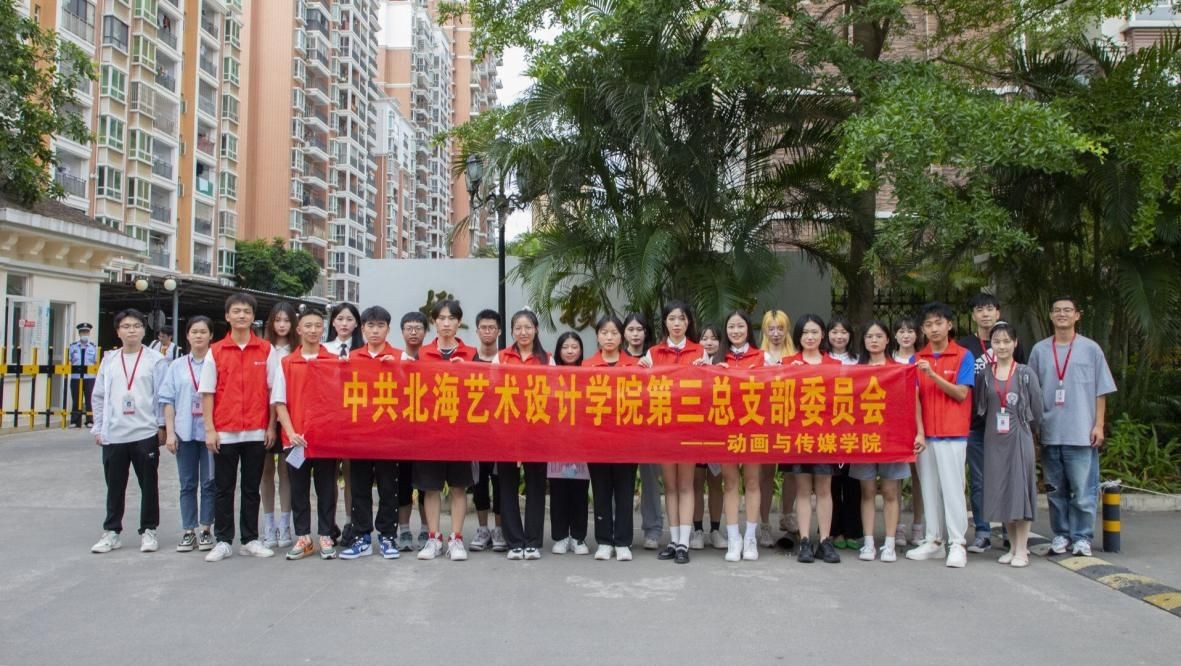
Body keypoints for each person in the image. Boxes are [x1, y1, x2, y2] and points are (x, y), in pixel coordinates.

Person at [198, 293, 284, 562]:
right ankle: (224, 540)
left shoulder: (266, 350)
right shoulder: (215, 351)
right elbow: (207, 393)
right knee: (223, 488)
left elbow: (273, 391)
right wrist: (210, 430)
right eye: (236, 311)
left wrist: (271, 427)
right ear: (227, 316)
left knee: (251, 488)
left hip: (257, 431)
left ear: (253, 316)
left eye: (246, 311)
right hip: (225, 431)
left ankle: (250, 539)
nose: (242, 315)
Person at [1027, 296, 1116, 557]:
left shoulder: (1091, 349)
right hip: (1050, 432)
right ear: (1051, 316)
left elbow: (1101, 390)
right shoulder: (1040, 350)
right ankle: (1061, 534)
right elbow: (1031, 391)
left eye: (1068, 310)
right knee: (1055, 490)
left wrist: (1099, 424)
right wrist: (1034, 426)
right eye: (1057, 310)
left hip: (1081, 432)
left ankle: (1082, 537)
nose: (1062, 314)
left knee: (1083, 490)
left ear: (1077, 315)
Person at [89, 309, 168, 554]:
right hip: (115, 434)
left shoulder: (155, 360)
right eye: (126, 326)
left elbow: (162, 396)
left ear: (144, 330)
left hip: (145, 432)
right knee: (114, 486)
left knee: (149, 485)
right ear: (118, 332)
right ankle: (112, 531)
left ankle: (149, 530)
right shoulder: (109, 360)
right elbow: (99, 396)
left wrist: (162, 426)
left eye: (136, 326)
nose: (131, 330)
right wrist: (99, 427)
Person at [905, 302, 975, 568]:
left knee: (953, 489)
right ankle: (933, 540)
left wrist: (933, 375)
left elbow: (961, 393)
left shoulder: (963, 356)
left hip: (953, 434)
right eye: (928, 324)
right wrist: (920, 433)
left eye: (938, 323)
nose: (934, 329)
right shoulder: (915, 359)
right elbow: (914, 400)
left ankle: (957, 543)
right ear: (922, 329)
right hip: (927, 437)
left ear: (949, 325)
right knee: (929, 489)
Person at [639, 300, 707, 564]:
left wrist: (707, 369)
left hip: (690, 426)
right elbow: (642, 388)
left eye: (681, 319)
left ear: (688, 322)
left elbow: (709, 388)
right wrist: (641, 370)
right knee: (669, 485)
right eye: (672, 319)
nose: (677, 324)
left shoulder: (699, 351)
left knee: (686, 484)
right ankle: (674, 539)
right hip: (664, 426)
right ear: (665, 322)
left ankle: (684, 543)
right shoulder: (653, 353)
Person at [958, 292, 1027, 554]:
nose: (985, 314)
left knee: (1009, 478)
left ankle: (1011, 532)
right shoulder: (965, 346)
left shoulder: (1011, 341)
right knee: (979, 481)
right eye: (979, 309)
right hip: (976, 424)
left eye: (989, 308)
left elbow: (1023, 380)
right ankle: (983, 532)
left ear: (998, 312)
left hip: (1008, 424)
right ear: (973, 315)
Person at [851, 321, 925, 563]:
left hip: (893, 438)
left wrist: (920, 432)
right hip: (863, 439)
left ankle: (890, 543)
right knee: (867, 491)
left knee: (891, 491)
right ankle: (869, 542)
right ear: (863, 341)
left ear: (887, 340)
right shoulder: (855, 370)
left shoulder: (900, 369)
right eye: (869, 336)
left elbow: (913, 403)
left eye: (879, 336)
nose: (874, 340)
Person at [272, 307, 340, 560]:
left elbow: (340, 400)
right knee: (298, 489)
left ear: (324, 330)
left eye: (317, 326)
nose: (313, 330)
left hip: (325, 440)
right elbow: (280, 402)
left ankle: (326, 534)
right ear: (298, 329)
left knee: (326, 488)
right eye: (308, 326)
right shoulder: (287, 363)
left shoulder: (334, 362)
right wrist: (291, 433)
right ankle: (303, 536)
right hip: (296, 441)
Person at [341, 305, 407, 561]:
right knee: (359, 487)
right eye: (370, 325)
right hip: (359, 435)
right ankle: (361, 537)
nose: (375, 330)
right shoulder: (352, 357)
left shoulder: (400, 357)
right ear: (362, 328)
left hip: (389, 435)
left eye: (380, 326)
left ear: (388, 329)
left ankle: (388, 536)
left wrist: (398, 370)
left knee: (389, 487)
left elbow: (412, 392)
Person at [416, 300, 479, 561]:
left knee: (458, 488)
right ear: (433, 322)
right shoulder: (422, 354)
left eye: (451, 318)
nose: (446, 323)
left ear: (458, 322)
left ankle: (456, 538)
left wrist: (467, 372)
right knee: (431, 489)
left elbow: (483, 388)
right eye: (441, 318)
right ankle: (433, 538)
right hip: (430, 432)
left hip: (460, 433)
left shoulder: (471, 354)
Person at [975, 322, 1042, 567]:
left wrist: (1031, 433)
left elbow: (1037, 409)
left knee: (1020, 492)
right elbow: (981, 407)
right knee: (1001, 491)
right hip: (994, 438)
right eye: (997, 342)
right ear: (990, 345)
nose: (1001, 346)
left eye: (1006, 341)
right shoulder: (985, 374)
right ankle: (1012, 547)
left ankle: (1022, 549)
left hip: (1019, 437)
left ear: (1015, 343)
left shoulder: (1025, 373)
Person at [495, 309, 553, 560]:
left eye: (528, 327)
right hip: (506, 431)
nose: (523, 332)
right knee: (507, 485)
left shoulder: (547, 359)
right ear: (511, 332)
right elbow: (491, 389)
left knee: (536, 486)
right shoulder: (501, 357)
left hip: (537, 431)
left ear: (536, 330)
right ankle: (514, 542)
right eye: (518, 328)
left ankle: (532, 542)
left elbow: (553, 393)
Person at [785, 314, 841, 564]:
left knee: (825, 488)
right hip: (797, 435)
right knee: (803, 489)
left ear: (823, 335)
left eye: (814, 332)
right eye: (805, 332)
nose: (810, 337)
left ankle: (825, 540)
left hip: (825, 435)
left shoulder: (834, 365)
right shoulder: (788, 363)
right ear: (798, 336)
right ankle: (805, 540)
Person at [160, 316, 216, 553]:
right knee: (187, 483)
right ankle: (188, 530)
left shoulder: (216, 363)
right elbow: (168, 400)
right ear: (187, 335)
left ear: (211, 336)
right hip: (184, 432)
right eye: (194, 332)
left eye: (203, 331)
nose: (199, 336)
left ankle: (206, 529)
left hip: (209, 433)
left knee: (209, 483)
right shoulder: (177, 366)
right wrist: (170, 433)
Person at [586, 315, 639, 561]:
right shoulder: (587, 366)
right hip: (596, 440)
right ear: (597, 336)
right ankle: (604, 541)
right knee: (601, 491)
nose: (609, 337)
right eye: (604, 333)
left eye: (614, 333)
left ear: (622, 336)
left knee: (625, 491)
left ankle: (623, 541)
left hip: (627, 440)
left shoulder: (635, 366)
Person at [713, 311, 765, 562]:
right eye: (731, 326)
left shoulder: (761, 357)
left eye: (740, 326)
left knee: (752, 482)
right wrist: (712, 371)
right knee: (730, 482)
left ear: (748, 329)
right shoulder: (716, 358)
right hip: (726, 428)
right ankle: (734, 538)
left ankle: (750, 537)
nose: (736, 331)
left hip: (754, 427)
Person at [549, 331, 591, 555]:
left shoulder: (588, 374)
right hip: (556, 442)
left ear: (581, 350)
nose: (570, 351)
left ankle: (578, 537)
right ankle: (560, 537)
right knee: (558, 491)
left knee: (579, 491)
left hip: (581, 442)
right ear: (558, 351)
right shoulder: (550, 375)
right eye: (565, 347)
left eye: (574, 347)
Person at [624, 312, 664, 551]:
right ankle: (622, 532)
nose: (635, 334)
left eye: (639, 329)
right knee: (622, 483)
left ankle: (653, 530)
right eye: (631, 329)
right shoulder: (617, 358)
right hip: (623, 431)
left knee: (650, 482)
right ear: (624, 333)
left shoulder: (655, 357)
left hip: (650, 430)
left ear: (646, 332)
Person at [468, 309, 506, 553]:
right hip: (476, 434)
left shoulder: (506, 361)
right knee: (479, 481)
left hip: (501, 434)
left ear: (499, 331)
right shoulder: (469, 361)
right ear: (477, 330)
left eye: (492, 327)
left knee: (499, 481)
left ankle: (499, 529)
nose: (488, 331)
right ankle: (483, 529)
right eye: (483, 327)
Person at [261, 301, 297, 551]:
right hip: (264, 417)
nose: (282, 325)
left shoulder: (298, 349)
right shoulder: (264, 349)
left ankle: (285, 523)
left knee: (286, 472)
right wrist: (269, 424)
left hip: (290, 417)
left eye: (286, 320)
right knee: (265, 472)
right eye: (278, 320)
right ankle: (268, 524)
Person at [324, 303, 362, 531]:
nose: (344, 324)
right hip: (328, 418)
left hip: (354, 418)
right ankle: (329, 524)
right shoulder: (323, 349)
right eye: (340, 319)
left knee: (351, 474)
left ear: (357, 323)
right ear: (333, 322)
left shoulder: (363, 351)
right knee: (329, 473)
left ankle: (350, 522)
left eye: (349, 319)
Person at [826, 316, 863, 551]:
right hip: (827, 427)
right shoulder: (822, 360)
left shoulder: (859, 360)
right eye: (834, 332)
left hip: (853, 426)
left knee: (853, 481)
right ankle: (833, 530)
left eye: (843, 332)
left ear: (850, 335)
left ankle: (853, 530)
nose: (839, 336)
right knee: (831, 481)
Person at [760, 309, 797, 544]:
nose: (776, 333)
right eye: (771, 328)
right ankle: (764, 523)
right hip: (764, 422)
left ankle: (787, 515)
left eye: (780, 328)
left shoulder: (795, 357)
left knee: (791, 472)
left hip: (790, 422)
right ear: (765, 331)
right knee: (766, 474)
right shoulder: (757, 357)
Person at [396, 310, 429, 550]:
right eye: (409, 328)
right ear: (402, 332)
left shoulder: (431, 360)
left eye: (418, 328)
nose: (414, 332)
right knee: (404, 484)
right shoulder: (394, 361)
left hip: (427, 433)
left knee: (426, 484)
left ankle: (427, 529)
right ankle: (404, 530)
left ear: (425, 332)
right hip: (402, 434)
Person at [691, 323, 726, 550]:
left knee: (715, 482)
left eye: (714, 338)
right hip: (694, 433)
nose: (709, 342)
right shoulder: (692, 364)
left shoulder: (727, 365)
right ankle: (697, 531)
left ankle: (715, 530)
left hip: (718, 434)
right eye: (704, 338)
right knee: (696, 482)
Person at [891, 317, 924, 546]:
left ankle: (918, 525)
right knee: (896, 478)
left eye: (910, 331)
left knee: (918, 476)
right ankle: (898, 527)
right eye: (901, 331)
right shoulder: (888, 359)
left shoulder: (922, 360)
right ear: (894, 335)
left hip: (918, 423)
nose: (906, 335)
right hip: (894, 426)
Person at [68, 322, 98, 428]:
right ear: (79, 333)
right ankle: (75, 421)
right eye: (82, 332)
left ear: (89, 333)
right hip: (76, 377)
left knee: (89, 399)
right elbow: (70, 360)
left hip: (89, 377)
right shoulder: (73, 347)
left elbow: (96, 361)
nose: (84, 334)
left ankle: (90, 420)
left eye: (86, 332)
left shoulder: (93, 347)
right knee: (76, 399)